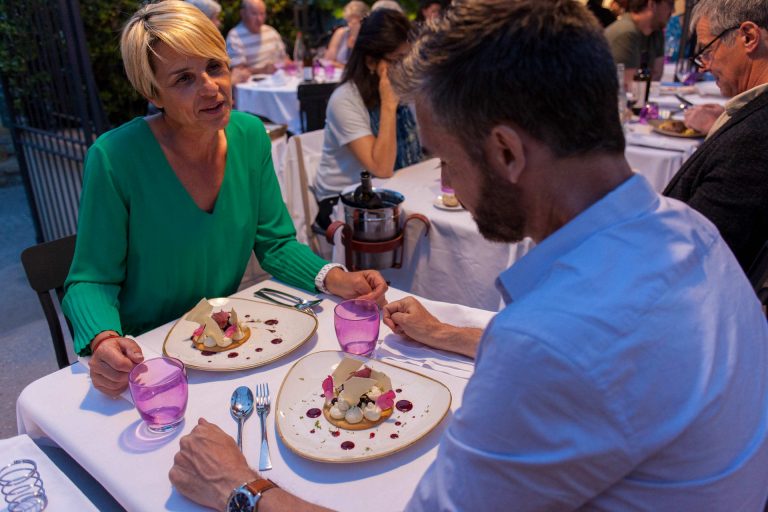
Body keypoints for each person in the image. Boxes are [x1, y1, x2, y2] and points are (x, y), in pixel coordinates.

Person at [169, 1, 768, 510]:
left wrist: (241, 487)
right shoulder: (688, 230)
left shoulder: (548, 347)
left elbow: (570, 357)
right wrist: (453, 335)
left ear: (506, 151)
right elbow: (620, 366)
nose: (446, 177)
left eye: (445, 159)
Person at [62, 1, 387, 398]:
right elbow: (91, 278)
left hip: (230, 344)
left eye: (215, 67)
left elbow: (276, 243)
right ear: (153, 92)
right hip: (148, 361)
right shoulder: (115, 158)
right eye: (184, 78)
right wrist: (103, 339)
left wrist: (337, 278)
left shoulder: (250, 136)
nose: (211, 87)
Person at [663, 0, 768, 271]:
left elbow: (691, 251)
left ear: (748, 37)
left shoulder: (753, 139)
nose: (704, 67)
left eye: (707, 51)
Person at [312, 8, 422, 230]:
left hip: (392, 189)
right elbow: (381, 168)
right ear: (372, 62)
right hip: (344, 203)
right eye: (398, 60)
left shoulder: (403, 87)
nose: (406, 68)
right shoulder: (345, 99)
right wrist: (389, 104)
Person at [604, 0, 674, 88]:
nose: (673, 11)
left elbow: (656, 75)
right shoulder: (626, 33)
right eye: (670, 4)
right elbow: (628, 87)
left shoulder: (656, 32)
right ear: (651, 4)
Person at [225, 0, 289, 83]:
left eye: (262, 14)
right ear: (243, 14)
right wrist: (263, 70)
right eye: (254, 14)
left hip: (277, 82)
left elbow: (284, 59)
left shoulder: (271, 32)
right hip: (251, 89)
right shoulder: (234, 36)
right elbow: (239, 72)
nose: (259, 19)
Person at [324, 1, 370, 67]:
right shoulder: (340, 33)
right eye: (349, 19)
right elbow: (328, 60)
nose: (351, 22)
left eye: (356, 17)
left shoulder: (368, 37)